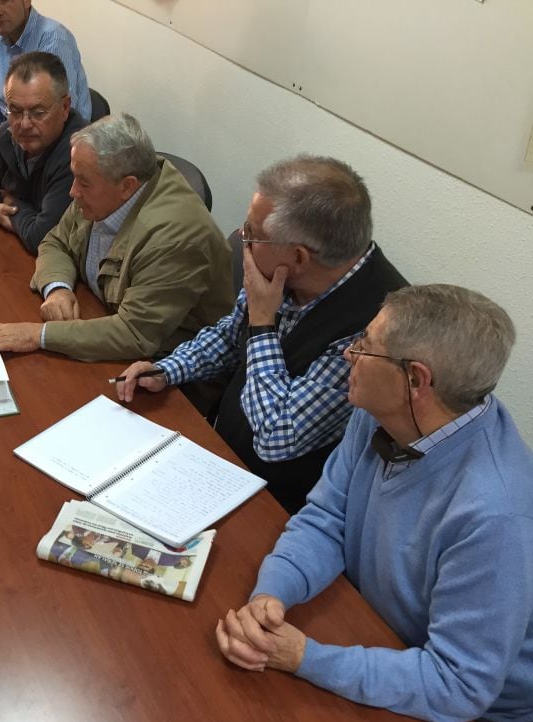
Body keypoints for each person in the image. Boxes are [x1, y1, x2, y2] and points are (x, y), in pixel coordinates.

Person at [215, 285, 533, 722]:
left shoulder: (496, 513)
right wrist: (272, 593)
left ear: (415, 380)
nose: (349, 353)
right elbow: (326, 519)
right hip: (383, 638)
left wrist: (305, 658)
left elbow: (458, 683)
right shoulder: (379, 413)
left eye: (365, 344)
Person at [116, 156, 407, 513]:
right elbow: (230, 337)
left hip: (278, 507)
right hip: (219, 462)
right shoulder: (281, 276)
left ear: (299, 258)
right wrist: (169, 369)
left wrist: (263, 322)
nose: (243, 239)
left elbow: (275, 437)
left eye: (252, 235)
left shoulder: (375, 333)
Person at [0, 113, 231, 362]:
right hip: (98, 318)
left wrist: (38, 335)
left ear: (127, 186)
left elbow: (134, 334)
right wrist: (58, 289)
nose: (73, 192)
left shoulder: (176, 238)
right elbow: (56, 241)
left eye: (83, 183)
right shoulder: (99, 185)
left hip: (167, 370)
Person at [0, 51, 86, 255]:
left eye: (38, 112)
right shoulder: (6, 136)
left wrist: (11, 202)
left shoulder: (78, 155)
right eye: (15, 111)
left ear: (64, 108)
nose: (24, 124)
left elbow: (44, 237)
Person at [0, 0, 90, 152]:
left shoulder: (54, 40)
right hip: (11, 141)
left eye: (5, 1)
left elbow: (58, 122)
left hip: (54, 149)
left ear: (26, 1)